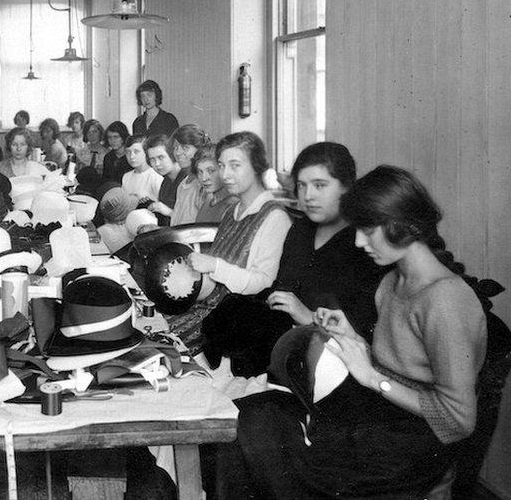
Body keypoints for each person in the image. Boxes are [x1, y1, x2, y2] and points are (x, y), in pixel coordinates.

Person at [217, 165, 487, 500]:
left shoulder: (445, 300)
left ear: (401, 226)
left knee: (262, 440)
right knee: (245, 417)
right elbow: (403, 364)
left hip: (412, 443)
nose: (359, 241)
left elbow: (459, 419)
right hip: (378, 418)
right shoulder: (392, 281)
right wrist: (353, 339)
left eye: (367, 230)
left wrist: (373, 377)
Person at [201, 142, 386, 376]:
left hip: (328, 365)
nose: (308, 196)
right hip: (277, 349)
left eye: (320, 185)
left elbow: (366, 334)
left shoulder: (365, 245)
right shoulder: (301, 230)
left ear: (346, 187)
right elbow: (278, 287)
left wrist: (307, 316)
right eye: (302, 185)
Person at [165, 132, 293, 352]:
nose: (225, 175)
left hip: (235, 323)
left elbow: (263, 283)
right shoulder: (232, 211)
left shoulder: (275, 217)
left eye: (235, 166)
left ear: (257, 167)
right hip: (209, 308)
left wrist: (214, 266)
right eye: (222, 166)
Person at [168, 125, 211, 225]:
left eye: (185, 148)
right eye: (175, 147)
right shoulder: (183, 183)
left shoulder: (203, 184)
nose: (178, 153)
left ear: (199, 150)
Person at [186, 144, 238, 224]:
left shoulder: (233, 207)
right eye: (200, 172)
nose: (204, 178)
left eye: (211, 171)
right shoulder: (208, 201)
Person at [145, 134, 190, 226]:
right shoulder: (166, 181)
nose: (157, 164)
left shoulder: (188, 179)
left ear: (172, 154)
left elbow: (191, 220)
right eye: (152, 160)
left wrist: (169, 212)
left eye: (161, 157)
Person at [121, 133, 163, 204]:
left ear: (146, 153)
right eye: (128, 152)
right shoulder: (126, 177)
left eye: (136, 152)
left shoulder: (155, 176)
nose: (132, 156)